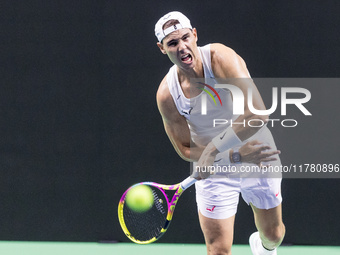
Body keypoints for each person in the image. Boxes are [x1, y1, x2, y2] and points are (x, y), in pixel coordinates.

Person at [154, 11, 285, 255]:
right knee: (218, 250)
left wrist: (216, 150)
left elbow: (258, 114)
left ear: (195, 35)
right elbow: (184, 147)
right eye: (172, 43)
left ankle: (265, 247)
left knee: (274, 234)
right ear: (162, 48)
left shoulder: (220, 58)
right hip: (216, 169)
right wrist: (231, 155)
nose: (182, 47)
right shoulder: (167, 94)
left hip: (256, 150)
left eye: (185, 38)